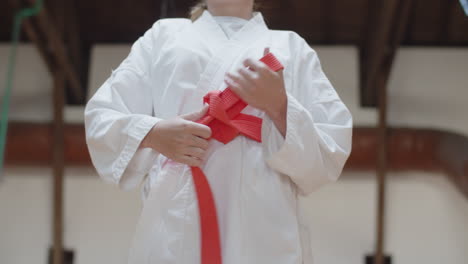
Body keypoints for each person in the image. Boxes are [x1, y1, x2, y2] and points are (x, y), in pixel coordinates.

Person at [84, 0, 353, 263]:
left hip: (264, 219)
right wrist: (153, 133)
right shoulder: (163, 36)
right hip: (176, 212)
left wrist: (280, 107)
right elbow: (101, 118)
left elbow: (331, 150)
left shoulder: (291, 47)